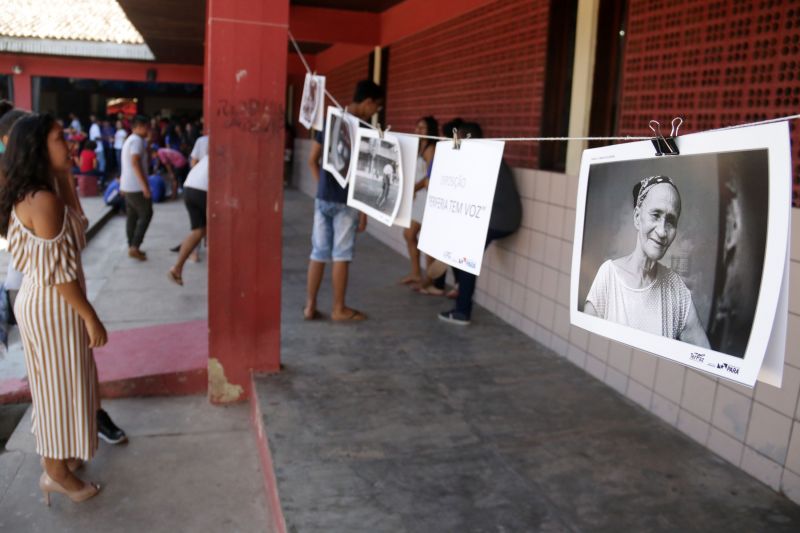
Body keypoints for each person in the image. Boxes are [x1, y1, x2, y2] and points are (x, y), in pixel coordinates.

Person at [0, 114, 126, 505]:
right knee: (57, 390)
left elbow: (80, 229)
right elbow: (59, 273)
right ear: (38, 146)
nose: (69, 144)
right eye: (59, 139)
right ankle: (54, 473)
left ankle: (65, 457)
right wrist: (90, 315)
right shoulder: (41, 200)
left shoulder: (47, 190)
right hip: (54, 303)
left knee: (72, 384)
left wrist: (65, 173)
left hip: (54, 302)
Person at [583, 176, 710, 346]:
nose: (662, 231)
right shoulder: (608, 275)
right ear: (637, 217)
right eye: (655, 215)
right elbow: (584, 342)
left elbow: (704, 352)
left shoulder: (676, 289)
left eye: (671, 221)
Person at [303, 80, 383, 322]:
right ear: (368, 101)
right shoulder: (363, 128)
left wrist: (323, 187)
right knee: (341, 254)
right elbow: (364, 175)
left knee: (318, 252)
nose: (375, 112)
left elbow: (311, 160)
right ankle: (339, 309)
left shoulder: (331, 120)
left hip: (323, 197)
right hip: (347, 202)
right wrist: (364, 210)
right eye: (376, 107)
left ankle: (310, 306)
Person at [439, 121, 522, 326]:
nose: (455, 143)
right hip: (497, 217)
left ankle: (462, 311)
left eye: (459, 139)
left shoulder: (481, 158)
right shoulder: (484, 156)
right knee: (458, 249)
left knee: (466, 256)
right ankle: (460, 288)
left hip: (500, 219)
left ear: (469, 139)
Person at [400, 116, 438, 287]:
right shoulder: (418, 147)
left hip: (426, 198)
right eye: (417, 127)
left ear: (430, 130)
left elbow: (429, 177)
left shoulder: (431, 148)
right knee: (409, 235)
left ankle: (429, 279)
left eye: (423, 128)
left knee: (424, 239)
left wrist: (412, 190)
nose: (418, 130)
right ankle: (416, 273)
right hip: (417, 197)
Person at [168, 155, 209, 286]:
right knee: (212, 230)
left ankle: (177, 268)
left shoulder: (211, 153)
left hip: (189, 187)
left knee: (198, 231)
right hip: (203, 190)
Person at [120, 115, 152, 261]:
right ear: (139, 126)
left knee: (132, 215)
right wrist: (144, 186)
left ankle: (131, 245)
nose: (149, 130)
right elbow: (134, 163)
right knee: (146, 213)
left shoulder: (130, 140)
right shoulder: (137, 141)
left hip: (127, 185)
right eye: (147, 127)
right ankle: (135, 246)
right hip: (135, 186)